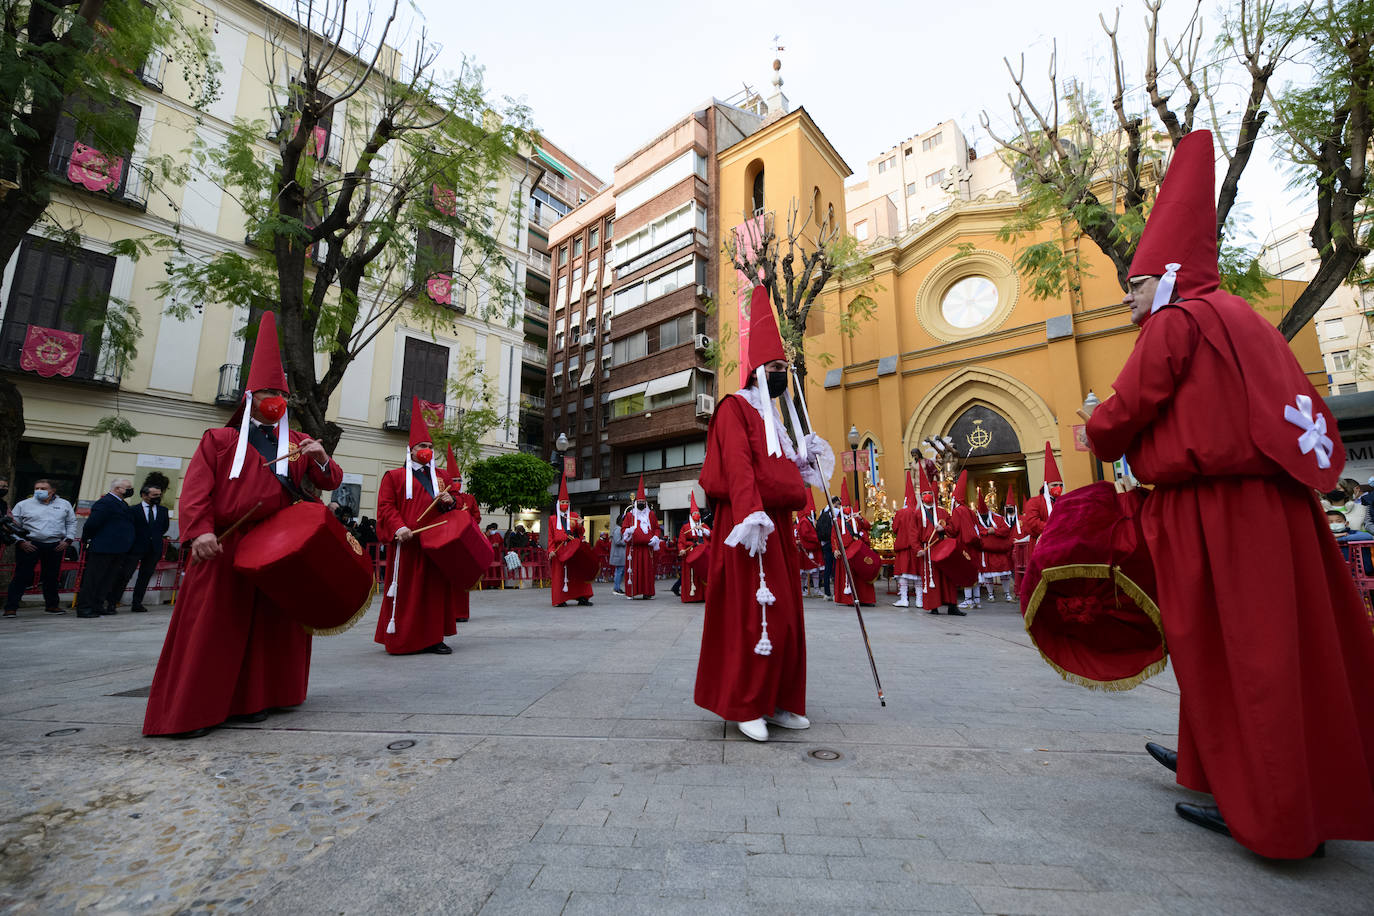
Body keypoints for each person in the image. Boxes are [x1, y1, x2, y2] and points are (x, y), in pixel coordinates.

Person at [1083, 130, 1374, 859]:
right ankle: (1213, 766)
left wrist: (1094, 426)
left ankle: (1275, 817)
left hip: (1212, 509)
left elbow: (1119, 418)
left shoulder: (1174, 322)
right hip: (1279, 507)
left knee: (1242, 653)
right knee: (1280, 648)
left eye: (1136, 287)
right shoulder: (1246, 319)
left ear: (1171, 277)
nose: (1129, 303)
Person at [144, 312, 343, 738]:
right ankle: (193, 710)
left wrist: (321, 455)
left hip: (279, 547)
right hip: (225, 545)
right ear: (251, 397)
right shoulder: (219, 441)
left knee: (273, 623)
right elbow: (195, 493)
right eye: (269, 392)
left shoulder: (296, 445)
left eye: (281, 395)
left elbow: (329, 480)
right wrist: (200, 532)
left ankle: (261, 698)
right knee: (215, 625)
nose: (276, 400)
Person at [695, 284, 829, 741]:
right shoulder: (736, 409)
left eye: (784, 369)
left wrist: (806, 462)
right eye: (774, 368)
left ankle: (778, 700)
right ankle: (744, 702)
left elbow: (784, 475)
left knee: (786, 617)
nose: (781, 375)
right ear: (756, 370)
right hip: (748, 528)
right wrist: (752, 514)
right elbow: (737, 467)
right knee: (753, 617)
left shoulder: (776, 420)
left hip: (781, 533)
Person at [375, 398, 460, 655]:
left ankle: (434, 637)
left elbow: (452, 507)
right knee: (407, 591)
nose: (427, 450)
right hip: (408, 543)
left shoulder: (442, 477)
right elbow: (386, 507)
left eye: (430, 446)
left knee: (433, 592)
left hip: (435, 544)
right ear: (411, 450)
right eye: (422, 445)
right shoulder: (395, 476)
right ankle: (402, 637)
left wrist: (449, 500)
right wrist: (398, 527)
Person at [3, 479, 76, 617]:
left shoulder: (64, 504)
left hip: (55, 545)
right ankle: (11, 607)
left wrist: (68, 540)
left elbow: (71, 522)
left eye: (43, 488)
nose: (39, 491)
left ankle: (52, 605)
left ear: (53, 490)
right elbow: (12, 525)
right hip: (29, 544)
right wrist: (20, 542)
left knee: (52, 577)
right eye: (37, 488)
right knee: (21, 576)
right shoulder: (23, 504)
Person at [74, 477, 136, 618]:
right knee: (93, 579)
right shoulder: (105, 502)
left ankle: (98, 604)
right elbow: (92, 524)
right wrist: (87, 540)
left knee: (107, 579)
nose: (130, 490)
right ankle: (84, 607)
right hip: (103, 548)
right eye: (127, 487)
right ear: (117, 489)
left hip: (118, 549)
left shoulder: (122, 503)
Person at [111, 477, 170, 614]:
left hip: (153, 548)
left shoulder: (163, 511)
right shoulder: (133, 510)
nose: (157, 497)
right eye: (154, 495)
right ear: (144, 495)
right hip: (135, 548)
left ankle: (137, 603)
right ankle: (113, 602)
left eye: (159, 495)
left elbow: (163, 528)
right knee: (125, 575)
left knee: (145, 576)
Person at [444, 447, 483, 622]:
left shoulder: (469, 498)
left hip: (464, 542)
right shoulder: (441, 497)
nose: (457, 482)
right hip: (447, 542)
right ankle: (446, 611)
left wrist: (466, 521)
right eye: (454, 480)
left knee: (462, 575)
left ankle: (461, 612)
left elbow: (477, 516)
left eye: (459, 479)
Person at [549, 473, 594, 608]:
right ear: (558, 504)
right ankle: (560, 599)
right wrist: (551, 550)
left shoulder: (574, 516)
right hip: (560, 550)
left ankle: (582, 597)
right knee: (560, 575)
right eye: (562, 502)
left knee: (578, 573)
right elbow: (551, 536)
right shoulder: (552, 519)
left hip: (573, 549)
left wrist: (580, 525)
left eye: (567, 502)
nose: (565, 504)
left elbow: (580, 533)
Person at [831, 479, 876, 608]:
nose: (846, 509)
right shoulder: (837, 521)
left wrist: (860, 518)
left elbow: (867, 526)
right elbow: (834, 536)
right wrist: (835, 549)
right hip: (845, 551)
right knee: (848, 577)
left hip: (858, 551)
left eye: (847, 506)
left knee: (861, 575)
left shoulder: (856, 518)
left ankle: (865, 599)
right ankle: (848, 599)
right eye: (843, 506)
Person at [621, 477, 661, 600]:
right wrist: (628, 531)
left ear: (646, 502)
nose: (641, 503)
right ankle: (632, 592)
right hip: (634, 550)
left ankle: (647, 592)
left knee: (647, 571)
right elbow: (623, 530)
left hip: (647, 549)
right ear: (636, 502)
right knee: (634, 570)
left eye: (643, 501)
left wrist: (655, 537)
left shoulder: (651, 515)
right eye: (639, 501)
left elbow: (656, 528)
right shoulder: (629, 515)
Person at [973, 490, 1014, 603]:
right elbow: (975, 532)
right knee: (988, 574)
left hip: (1000, 551)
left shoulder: (998, 518)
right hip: (986, 553)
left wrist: (994, 531)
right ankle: (990, 594)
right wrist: (987, 532)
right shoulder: (975, 520)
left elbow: (1006, 529)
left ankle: (1007, 594)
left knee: (1004, 572)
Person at [1021, 442, 1062, 550]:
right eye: (1054, 485)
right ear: (1046, 485)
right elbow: (1032, 522)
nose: (1058, 487)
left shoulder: (1063, 501)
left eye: (1060, 485)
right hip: (1041, 545)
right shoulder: (1034, 502)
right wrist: (1055, 527)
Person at [891, 471, 920, 609]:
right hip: (916, 548)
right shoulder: (919, 513)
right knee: (917, 574)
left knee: (903, 574)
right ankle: (920, 600)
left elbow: (895, 528)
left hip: (903, 547)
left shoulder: (901, 513)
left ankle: (904, 599)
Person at [677, 492, 711, 603]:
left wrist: (702, 529)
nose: (696, 515)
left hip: (703, 552)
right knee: (692, 574)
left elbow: (711, 535)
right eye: (694, 513)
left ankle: (703, 596)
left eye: (697, 512)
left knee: (703, 573)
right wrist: (682, 549)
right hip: (691, 551)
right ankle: (691, 596)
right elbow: (681, 540)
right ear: (691, 515)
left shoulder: (704, 525)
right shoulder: (686, 527)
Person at [794, 489, 824, 598]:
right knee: (804, 571)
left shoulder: (808, 520)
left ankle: (816, 589)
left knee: (814, 570)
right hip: (806, 550)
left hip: (812, 549)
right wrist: (817, 538)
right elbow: (806, 534)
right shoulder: (804, 521)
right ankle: (804, 589)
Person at [816, 496, 838, 598]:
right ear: (836, 502)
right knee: (836, 568)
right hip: (834, 542)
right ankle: (837, 593)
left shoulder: (822, 511)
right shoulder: (836, 511)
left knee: (827, 568)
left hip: (824, 543)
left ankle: (827, 593)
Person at [609, 509, 628, 594]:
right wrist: (626, 541)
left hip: (620, 554)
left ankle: (617, 587)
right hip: (619, 554)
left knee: (620, 572)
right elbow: (617, 541)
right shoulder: (618, 529)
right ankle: (616, 588)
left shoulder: (619, 529)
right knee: (619, 572)